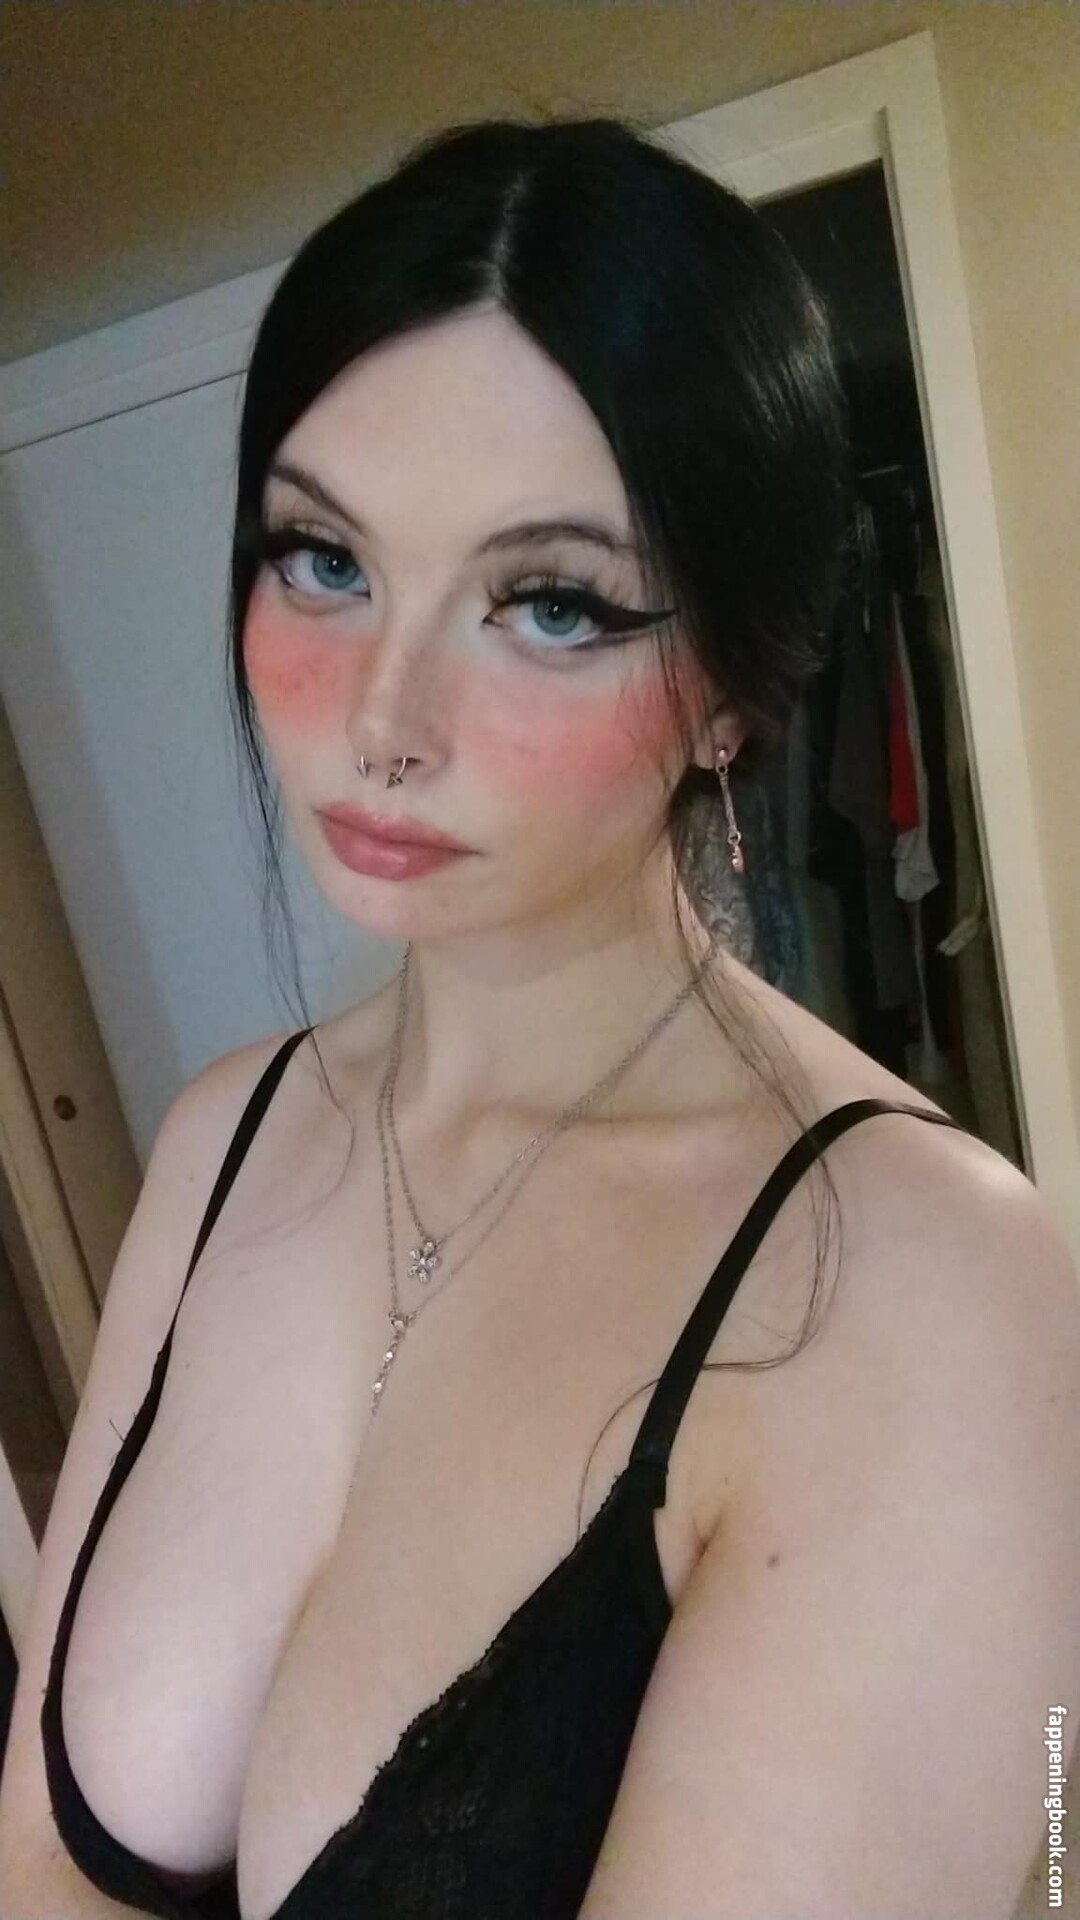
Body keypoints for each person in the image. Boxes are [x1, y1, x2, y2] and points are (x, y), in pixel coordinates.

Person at [2, 113, 1079, 1920]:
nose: (383, 718)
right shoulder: (219, 1140)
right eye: (324, 559)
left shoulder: (933, 1294)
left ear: (730, 690)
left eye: (551, 605)